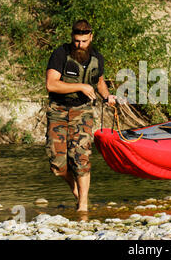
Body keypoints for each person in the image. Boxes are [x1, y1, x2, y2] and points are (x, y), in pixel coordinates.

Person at [45, 19, 116, 212]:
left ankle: (83, 205)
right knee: (57, 165)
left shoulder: (97, 58)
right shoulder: (61, 54)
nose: (80, 45)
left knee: (80, 158)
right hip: (58, 110)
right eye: (77, 41)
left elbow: (99, 81)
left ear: (91, 38)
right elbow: (51, 84)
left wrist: (107, 96)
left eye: (84, 41)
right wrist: (81, 86)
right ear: (72, 38)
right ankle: (77, 192)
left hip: (83, 111)